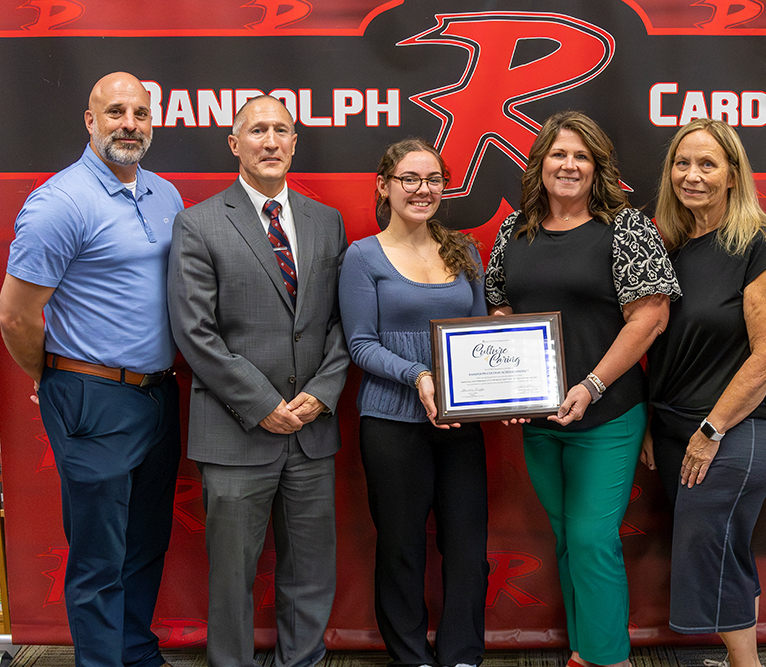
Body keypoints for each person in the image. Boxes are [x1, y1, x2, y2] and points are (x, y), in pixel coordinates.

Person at [0, 72, 182, 667]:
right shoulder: (60, 202)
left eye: (140, 113)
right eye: (115, 112)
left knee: (146, 543)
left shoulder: (164, 194)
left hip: (159, 395)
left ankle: (134, 651)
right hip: (93, 395)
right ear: (90, 121)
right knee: (99, 557)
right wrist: (49, 376)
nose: (129, 123)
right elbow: (16, 316)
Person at [485, 110, 679, 667]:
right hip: (542, 421)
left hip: (607, 417)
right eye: (558, 154)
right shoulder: (512, 230)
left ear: (597, 168)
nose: (568, 165)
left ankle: (608, 660)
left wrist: (591, 385)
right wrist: (507, 382)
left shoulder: (626, 228)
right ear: (540, 162)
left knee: (593, 541)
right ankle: (582, 652)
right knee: (568, 539)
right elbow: (499, 301)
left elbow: (651, 319)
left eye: (581, 156)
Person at [167, 94, 348, 667]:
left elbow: (347, 323)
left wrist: (321, 393)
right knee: (232, 578)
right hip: (236, 431)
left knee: (311, 572)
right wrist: (265, 404)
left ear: (295, 143)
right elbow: (195, 334)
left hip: (312, 432)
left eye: (281, 131)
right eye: (257, 131)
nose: (270, 141)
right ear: (234, 144)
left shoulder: (327, 221)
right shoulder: (198, 223)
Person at [642, 118, 766, 667]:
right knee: (724, 546)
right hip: (678, 428)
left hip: (736, 430)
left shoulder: (759, 241)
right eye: (682, 163)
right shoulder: (676, 248)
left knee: (709, 548)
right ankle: (740, 660)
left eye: (708, 164)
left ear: (733, 174)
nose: (693, 175)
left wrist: (711, 430)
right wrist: (654, 427)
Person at [339, 138, 489, 667]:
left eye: (432, 180)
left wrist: (504, 392)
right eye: (409, 179)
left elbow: (476, 334)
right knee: (401, 548)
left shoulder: (464, 249)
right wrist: (419, 374)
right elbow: (360, 344)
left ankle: (462, 655)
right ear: (384, 186)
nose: (422, 190)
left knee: (469, 551)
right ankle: (411, 658)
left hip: (460, 423)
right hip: (391, 423)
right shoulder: (362, 256)